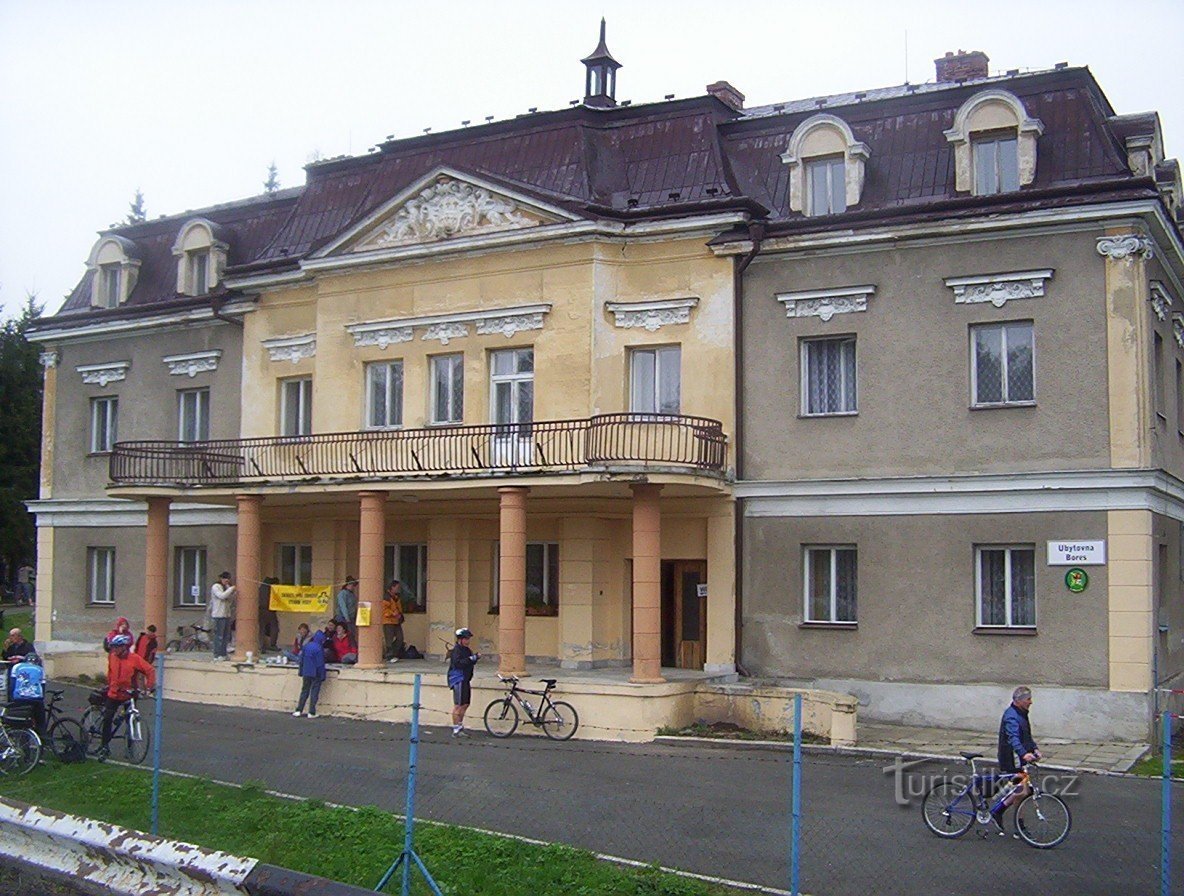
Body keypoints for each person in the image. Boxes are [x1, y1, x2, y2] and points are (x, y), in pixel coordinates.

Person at [99, 633, 156, 760]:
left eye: (117, 647)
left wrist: (150, 686)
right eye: (113, 647)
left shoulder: (134, 658)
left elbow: (149, 670)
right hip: (114, 693)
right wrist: (109, 685)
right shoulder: (112, 657)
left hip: (129, 694)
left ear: (124, 647)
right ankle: (104, 747)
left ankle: (130, 750)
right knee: (108, 719)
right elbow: (110, 672)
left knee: (129, 722)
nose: (114, 650)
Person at [993, 685, 1041, 831]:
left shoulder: (1022, 712)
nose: (1031, 702)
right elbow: (1013, 738)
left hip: (1018, 758)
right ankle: (1001, 813)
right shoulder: (1012, 716)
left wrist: (1034, 749)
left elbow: (1026, 736)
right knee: (1023, 791)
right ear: (1019, 701)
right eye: (1028, 699)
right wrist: (1023, 753)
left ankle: (1016, 824)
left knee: (1021, 792)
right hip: (1011, 758)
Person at [447, 628, 480, 737]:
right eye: (466, 638)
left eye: (468, 638)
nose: (468, 641)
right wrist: (472, 659)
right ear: (460, 639)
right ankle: (456, 729)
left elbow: (469, 662)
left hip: (465, 679)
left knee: (465, 704)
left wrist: (474, 658)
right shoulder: (457, 650)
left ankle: (460, 725)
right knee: (458, 705)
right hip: (458, 679)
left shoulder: (466, 650)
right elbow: (458, 664)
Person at [9, 652, 46, 740]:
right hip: (36, 698)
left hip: (20, 698)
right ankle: (41, 740)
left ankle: (22, 742)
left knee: (19, 720)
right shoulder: (40, 669)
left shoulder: (16, 667)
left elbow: (12, 684)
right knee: (40, 720)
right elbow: (43, 686)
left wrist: (12, 697)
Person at [293, 630, 327, 718]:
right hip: (315, 673)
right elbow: (320, 664)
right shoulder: (319, 648)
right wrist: (322, 676)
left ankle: (298, 710)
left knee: (304, 690)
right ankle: (311, 712)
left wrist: (300, 671)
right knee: (314, 692)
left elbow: (301, 660)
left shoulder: (306, 646)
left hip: (306, 672)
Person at [209, 571, 237, 660]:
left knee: (226, 636)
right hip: (218, 615)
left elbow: (230, 600)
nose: (226, 581)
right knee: (219, 636)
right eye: (225, 579)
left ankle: (223, 654)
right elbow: (222, 596)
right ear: (221, 579)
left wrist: (232, 592)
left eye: (228, 579)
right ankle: (217, 654)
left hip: (226, 615)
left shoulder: (227, 587)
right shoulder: (216, 587)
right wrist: (231, 589)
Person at [382, 580, 405, 663]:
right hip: (388, 621)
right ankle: (389, 656)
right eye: (397, 587)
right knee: (389, 639)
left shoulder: (396, 597)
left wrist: (400, 615)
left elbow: (398, 607)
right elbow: (384, 610)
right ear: (392, 587)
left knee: (400, 638)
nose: (398, 589)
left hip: (396, 620)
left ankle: (394, 654)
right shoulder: (386, 597)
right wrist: (393, 613)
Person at [133, 625, 158, 692]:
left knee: (141, 676)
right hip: (138, 658)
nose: (148, 633)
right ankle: (140, 690)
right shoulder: (141, 637)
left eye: (150, 632)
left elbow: (152, 653)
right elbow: (137, 646)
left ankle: (144, 690)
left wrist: (149, 661)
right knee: (137, 676)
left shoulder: (154, 642)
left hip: (145, 660)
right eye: (148, 631)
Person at [258, 576, 280, 652]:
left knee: (262, 629)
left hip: (261, 610)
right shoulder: (273, 589)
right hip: (270, 610)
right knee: (274, 627)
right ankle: (272, 645)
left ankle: (261, 646)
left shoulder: (260, 588)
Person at [336, 576, 359, 643]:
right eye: (352, 585)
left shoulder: (352, 595)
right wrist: (347, 617)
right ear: (348, 584)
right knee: (343, 635)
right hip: (343, 618)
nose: (353, 587)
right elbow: (343, 606)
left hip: (351, 618)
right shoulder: (342, 593)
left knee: (351, 635)